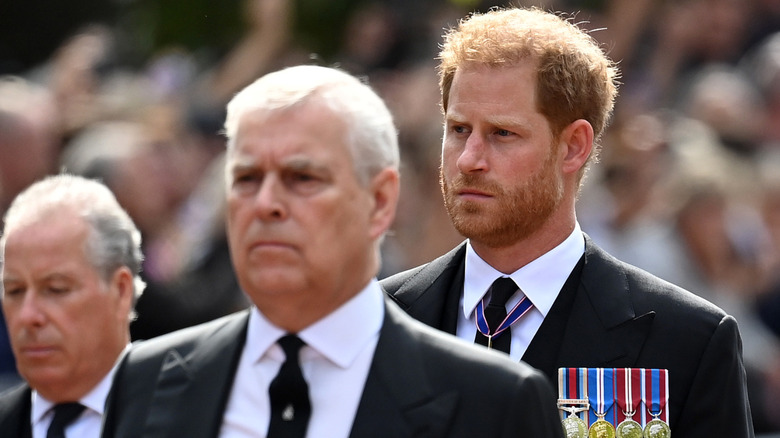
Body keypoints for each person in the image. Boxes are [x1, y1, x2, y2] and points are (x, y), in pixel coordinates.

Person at [101, 65, 564, 438]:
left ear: (379, 201)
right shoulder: (144, 380)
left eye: (303, 178)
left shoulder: (493, 402)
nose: (266, 204)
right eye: (246, 179)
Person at [380, 6, 755, 438]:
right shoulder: (377, 321)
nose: (468, 160)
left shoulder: (688, 341)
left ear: (574, 146)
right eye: (459, 129)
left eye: (502, 133)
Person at [0, 174, 145, 438]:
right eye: (14, 291)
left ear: (121, 291)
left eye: (56, 289)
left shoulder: (194, 417)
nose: (28, 315)